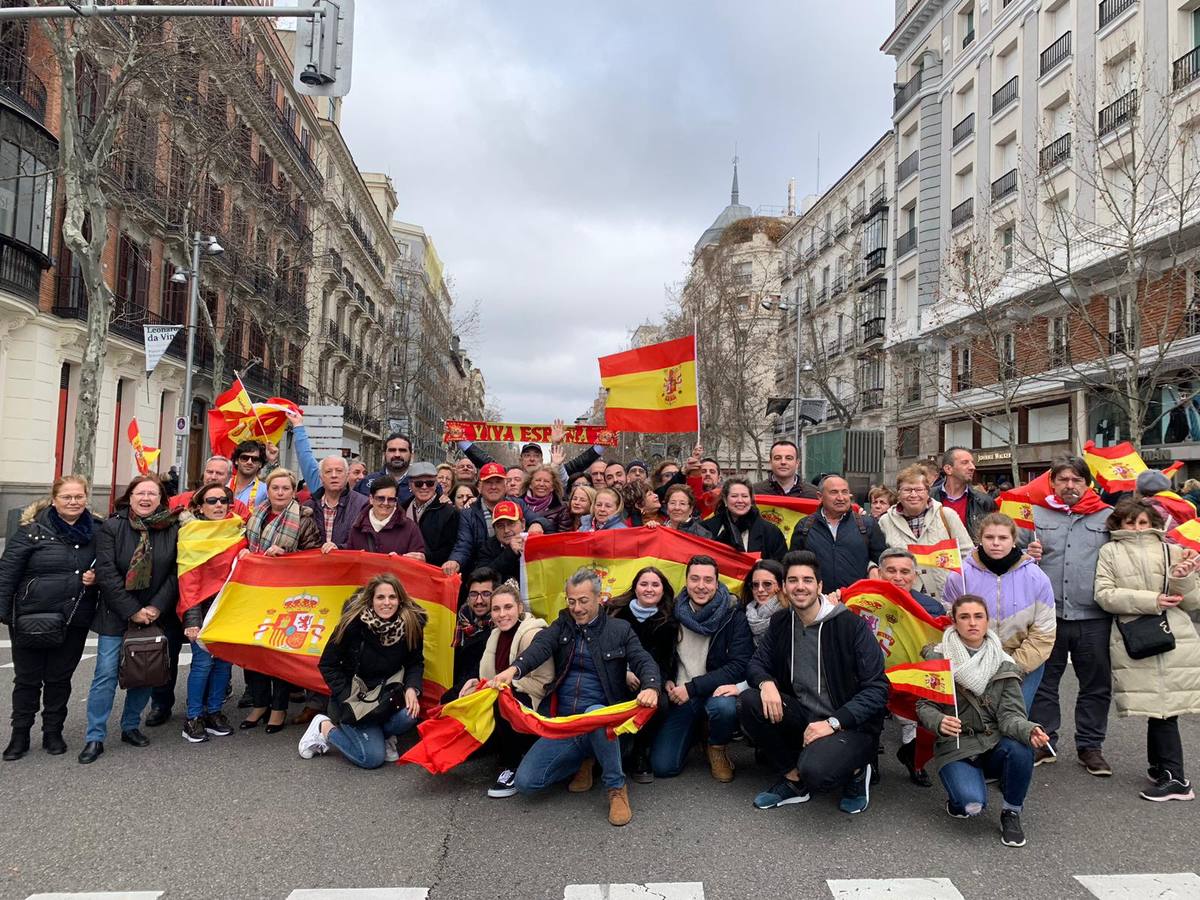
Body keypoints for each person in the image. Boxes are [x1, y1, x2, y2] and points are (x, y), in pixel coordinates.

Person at [492, 568, 661, 827]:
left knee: (596, 715)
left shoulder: (620, 630)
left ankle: (616, 787)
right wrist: (513, 670)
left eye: (583, 601)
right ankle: (587, 756)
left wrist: (651, 687)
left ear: (599, 599)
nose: (577, 608)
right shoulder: (562, 624)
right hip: (564, 723)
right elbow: (540, 647)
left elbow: (644, 661)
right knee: (527, 783)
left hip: (601, 720)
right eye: (571, 601)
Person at [738, 550, 888, 815]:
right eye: (793, 580)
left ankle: (857, 770)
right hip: (805, 716)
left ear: (819, 586)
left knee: (818, 773)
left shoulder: (851, 626)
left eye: (807, 580)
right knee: (750, 700)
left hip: (847, 724)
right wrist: (766, 683)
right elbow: (756, 664)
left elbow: (877, 689)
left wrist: (834, 723)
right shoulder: (781, 621)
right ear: (784, 587)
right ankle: (793, 780)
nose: (800, 586)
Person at [916, 595, 1051, 848]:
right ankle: (958, 801)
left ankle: (1011, 811)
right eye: (964, 617)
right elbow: (924, 705)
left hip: (992, 741)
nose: (972, 623)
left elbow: (1011, 716)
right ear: (954, 623)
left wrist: (1030, 729)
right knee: (971, 806)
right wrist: (939, 720)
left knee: (1021, 747)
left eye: (978, 617)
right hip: (956, 745)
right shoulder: (937, 659)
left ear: (987, 622)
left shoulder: (1004, 662)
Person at [1094, 498, 1200, 801]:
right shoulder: (1110, 551)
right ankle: (1160, 768)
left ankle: (1177, 779)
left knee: (1166, 708)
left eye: (1142, 522)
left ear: (1153, 522)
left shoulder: (1173, 550)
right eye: (1130, 522)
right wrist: (1151, 600)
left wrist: (1182, 577)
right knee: (1157, 707)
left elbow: (1193, 601)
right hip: (1135, 635)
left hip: (1175, 636)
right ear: (1119, 524)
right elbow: (1104, 594)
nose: (1137, 528)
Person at [1023, 456, 1115, 775]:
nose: (1070, 485)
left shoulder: (1108, 517)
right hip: (1049, 617)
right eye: (1063, 479)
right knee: (1045, 683)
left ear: (1087, 483)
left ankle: (1090, 747)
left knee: (1096, 684)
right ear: (1053, 483)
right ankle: (1045, 742)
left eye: (1076, 479)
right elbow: (1005, 552)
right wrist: (1024, 554)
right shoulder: (1033, 516)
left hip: (1094, 617)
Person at [79, 475, 179, 764]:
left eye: (152, 493)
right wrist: (132, 609)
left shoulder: (172, 528)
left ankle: (130, 726)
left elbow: (175, 572)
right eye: (140, 493)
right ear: (130, 497)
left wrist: (156, 607)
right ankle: (95, 736)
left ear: (161, 499)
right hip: (116, 613)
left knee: (145, 672)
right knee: (106, 675)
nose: (146, 498)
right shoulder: (112, 527)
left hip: (153, 613)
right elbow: (107, 574)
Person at [0, 475, 101, 760]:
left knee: (59, 678)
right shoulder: (31, 531)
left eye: (78, 496)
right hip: (32, 616)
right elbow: (7, 573)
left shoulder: (97, 531)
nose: (73, 502)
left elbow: (109, 565)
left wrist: (97, 578)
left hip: (73, 618)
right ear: (54, 500)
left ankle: (52, 732)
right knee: (27, 680)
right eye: (67, 497)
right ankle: (19, 734)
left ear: (86, 498)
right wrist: (6, 613)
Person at [300, 574, 425, 769]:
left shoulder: (410, 625)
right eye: (380, 597)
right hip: (354, 701)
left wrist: (412, 689)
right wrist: (347, 696)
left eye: (392, 597)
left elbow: (415, 662)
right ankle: (323, 727)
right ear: (371, 600)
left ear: (400, 600)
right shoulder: (352, 624)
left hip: (386, 698)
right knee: (372, 759)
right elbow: (327, 664)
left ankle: (381, 736)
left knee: (410, 715)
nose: (387, 603)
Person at [651, 555, 752, 781]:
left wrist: (693, 687)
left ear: (717, 583)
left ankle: (716, 747)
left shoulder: (734, 614)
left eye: (708, 580)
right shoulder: (673, 612)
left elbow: (738, 665)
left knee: (724, 709)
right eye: (695, 579)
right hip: (681, 694)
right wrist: (665, 678)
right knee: (663, 767)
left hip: (714, 691)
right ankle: (698, 732)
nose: (701, 586)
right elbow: (661, 655)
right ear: (686, 581)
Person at [942, 514, 1056, 711]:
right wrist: (973, 660)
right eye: (989, 537)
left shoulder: (1036, 577)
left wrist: (1012, 667)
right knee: (980, 726)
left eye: (1003, 538)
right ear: (980, 539)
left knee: (1013, 726)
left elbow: (1044, 632)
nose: (996, 543)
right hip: (972, 663)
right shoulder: (959, 576)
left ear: (1013, 541)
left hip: (1023, 663)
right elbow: (949, 622)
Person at [239, 469, 322, 734]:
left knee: (279, 650)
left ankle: (278, 707)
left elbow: (314, 557)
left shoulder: (305, 519)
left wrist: (287, 554)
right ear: (269, 490)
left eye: (286, 489)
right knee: (254, 651)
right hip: (255, 592)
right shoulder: (256, 515)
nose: (280, 493)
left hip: (289, 595)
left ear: (292, 492)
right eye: (275, 488)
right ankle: (260, 703)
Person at [459, 581, 554, 798]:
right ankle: (488, 746)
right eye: (496, 609)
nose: (502, 614)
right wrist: (477, 682)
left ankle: (512, 763)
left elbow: (544, 682)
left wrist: (502, 687)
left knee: (500, 700)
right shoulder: (495, 634)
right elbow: (490, 674)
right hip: (503, 692)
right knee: (456, 696)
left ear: (520, 608)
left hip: (533, 702)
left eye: (508, 607)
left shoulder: (533, 634)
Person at [876, 547, 945, 786]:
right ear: (880, 573)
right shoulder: (866, 600)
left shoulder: (932, 607)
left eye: (905, 572)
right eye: (891, 571)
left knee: (930, 719)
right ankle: (867, 762)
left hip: (913, 675)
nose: (898, 577)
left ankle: (912, 759)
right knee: (866, 716)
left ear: (914, 575)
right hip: (875, 675)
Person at [177, 483, 240, 744]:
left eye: (223, 500)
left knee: (224, 664)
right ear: (200, 506)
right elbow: (188, 580)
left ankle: (214, 712)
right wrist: (191, 620)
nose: (218, 505)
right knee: (203, 664)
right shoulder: (191, 533)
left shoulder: (237, 530)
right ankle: (193, 717)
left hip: (230, 609)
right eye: (211, 501)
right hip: (202, 610)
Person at [607, 567, 676, 783]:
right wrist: (625, 673)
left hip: (651, 681)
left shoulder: (669, 622)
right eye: (644, 584)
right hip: (618, 676)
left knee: (661, 704)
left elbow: (667, 660)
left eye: (655, 585)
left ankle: (640, 751)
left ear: (663, 590)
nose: (649, 589)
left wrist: (656, 682)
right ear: (635, 587)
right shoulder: (615, 614)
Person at [877, 465, 973, 600]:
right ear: (898, 493)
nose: (913, 494)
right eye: (907, 490)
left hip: (945, 599)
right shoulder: (885, 521)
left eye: (919, 489)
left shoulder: (946, 515)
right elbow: (878, 558)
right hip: (903, 600)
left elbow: (968, 555)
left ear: (928, 492)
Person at [442, 462, 548, 577]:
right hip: (483, 571)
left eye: (498, 482)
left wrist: (537, 523)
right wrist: (455, 561)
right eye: (488, 482)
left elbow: (544, 522)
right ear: (480, 486)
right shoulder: (468, 513)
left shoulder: (518, 503)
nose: (493, 487)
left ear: (505, 485)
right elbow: (463, 544)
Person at [789, 474, 886, 591]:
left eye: (845, 492)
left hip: (857, 601)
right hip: (818, 602)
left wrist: (872, 567)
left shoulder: (867, 525)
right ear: (820, 497)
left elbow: (883, 562)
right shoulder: (804, 527)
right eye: (834, 492)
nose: (841, 498)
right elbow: (793, 565)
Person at [302, 450, 369, 554]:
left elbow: (366, 541)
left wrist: (339, 549)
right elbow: (300, 543)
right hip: (315, 567)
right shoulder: (308, 507)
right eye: (328, 471)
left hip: (349, 566)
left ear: (347, 476)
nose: (334, 475)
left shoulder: (363, 504)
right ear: (321, 478)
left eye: (339, 471)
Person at [703, 478, 786, 561]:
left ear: (751, 500)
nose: (740, 500)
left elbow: (781, 565)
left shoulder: (771, 532)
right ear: (725, 500)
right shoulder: (707, 528)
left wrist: (764, 567)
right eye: (734, 496)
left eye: (745, 496)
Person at [347, 475, 426, 560]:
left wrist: (419, 559)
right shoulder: (357, 527)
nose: (385, 503)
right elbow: (349, 561)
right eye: (381, 498)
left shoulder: (410, 528)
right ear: (371, 499)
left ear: (396, 501)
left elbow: (418, 561)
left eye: (391, 499)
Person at [448, 568, 499, 699]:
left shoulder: (499, 628)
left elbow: (479, 671)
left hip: (477, 695)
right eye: (474, 594)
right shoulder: (459, 620)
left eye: (486, 594)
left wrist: (448, 698)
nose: (479, 601)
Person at [931, 447, 997, 540]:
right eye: (965, 463)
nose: (972, 467)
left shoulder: (985, 501)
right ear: (948, 469)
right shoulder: (928, 498)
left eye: (972, 463)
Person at [408, 463, 460, 567]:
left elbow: (450, 549)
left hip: (431, 572)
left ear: (436, 484)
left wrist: (426, 558)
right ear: (410, 485)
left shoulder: (449, 512)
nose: (424, 487)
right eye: (418, 483)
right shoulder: (402, 508)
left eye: (430, 483)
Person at [168, 455, 245, 514]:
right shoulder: (178, 501)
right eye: (210, 472)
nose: (213, 477)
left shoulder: (239, 508)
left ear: (229, 477)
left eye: (219, 473)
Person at [473, 500, 525, 582]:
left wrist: (539, 523)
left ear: (523, 524)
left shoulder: (534, 541)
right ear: (494, 529)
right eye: (500, 526)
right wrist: (510, 553)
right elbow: (482, 577)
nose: (506, 530)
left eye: (511, 523)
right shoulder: (487, 548)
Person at [741, 559, 786, 647]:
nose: (760, 589)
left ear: (781, 586)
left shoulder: (792, 615)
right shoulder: (740, 615)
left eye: (767, 584)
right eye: (755, 585)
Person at [357, 433, 414, 502]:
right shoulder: (365, 483)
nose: (397, 455)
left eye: (402, 450)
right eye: (392, 450)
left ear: (411, 455)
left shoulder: (421, 485)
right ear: (384, 454)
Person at [753, 440, 819, 500]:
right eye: (777, 458)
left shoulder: (814, 494)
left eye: (789, 458)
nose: (783, 462)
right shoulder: (754, 492)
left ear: (797, 463)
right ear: (770, 462)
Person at [230, 440, 268, 508]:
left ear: (260, 464)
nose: (249, 462)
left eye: (255, 459)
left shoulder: (265, 489)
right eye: (244, 458)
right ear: (236, 461)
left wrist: (273, 461)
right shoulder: (225, 483)